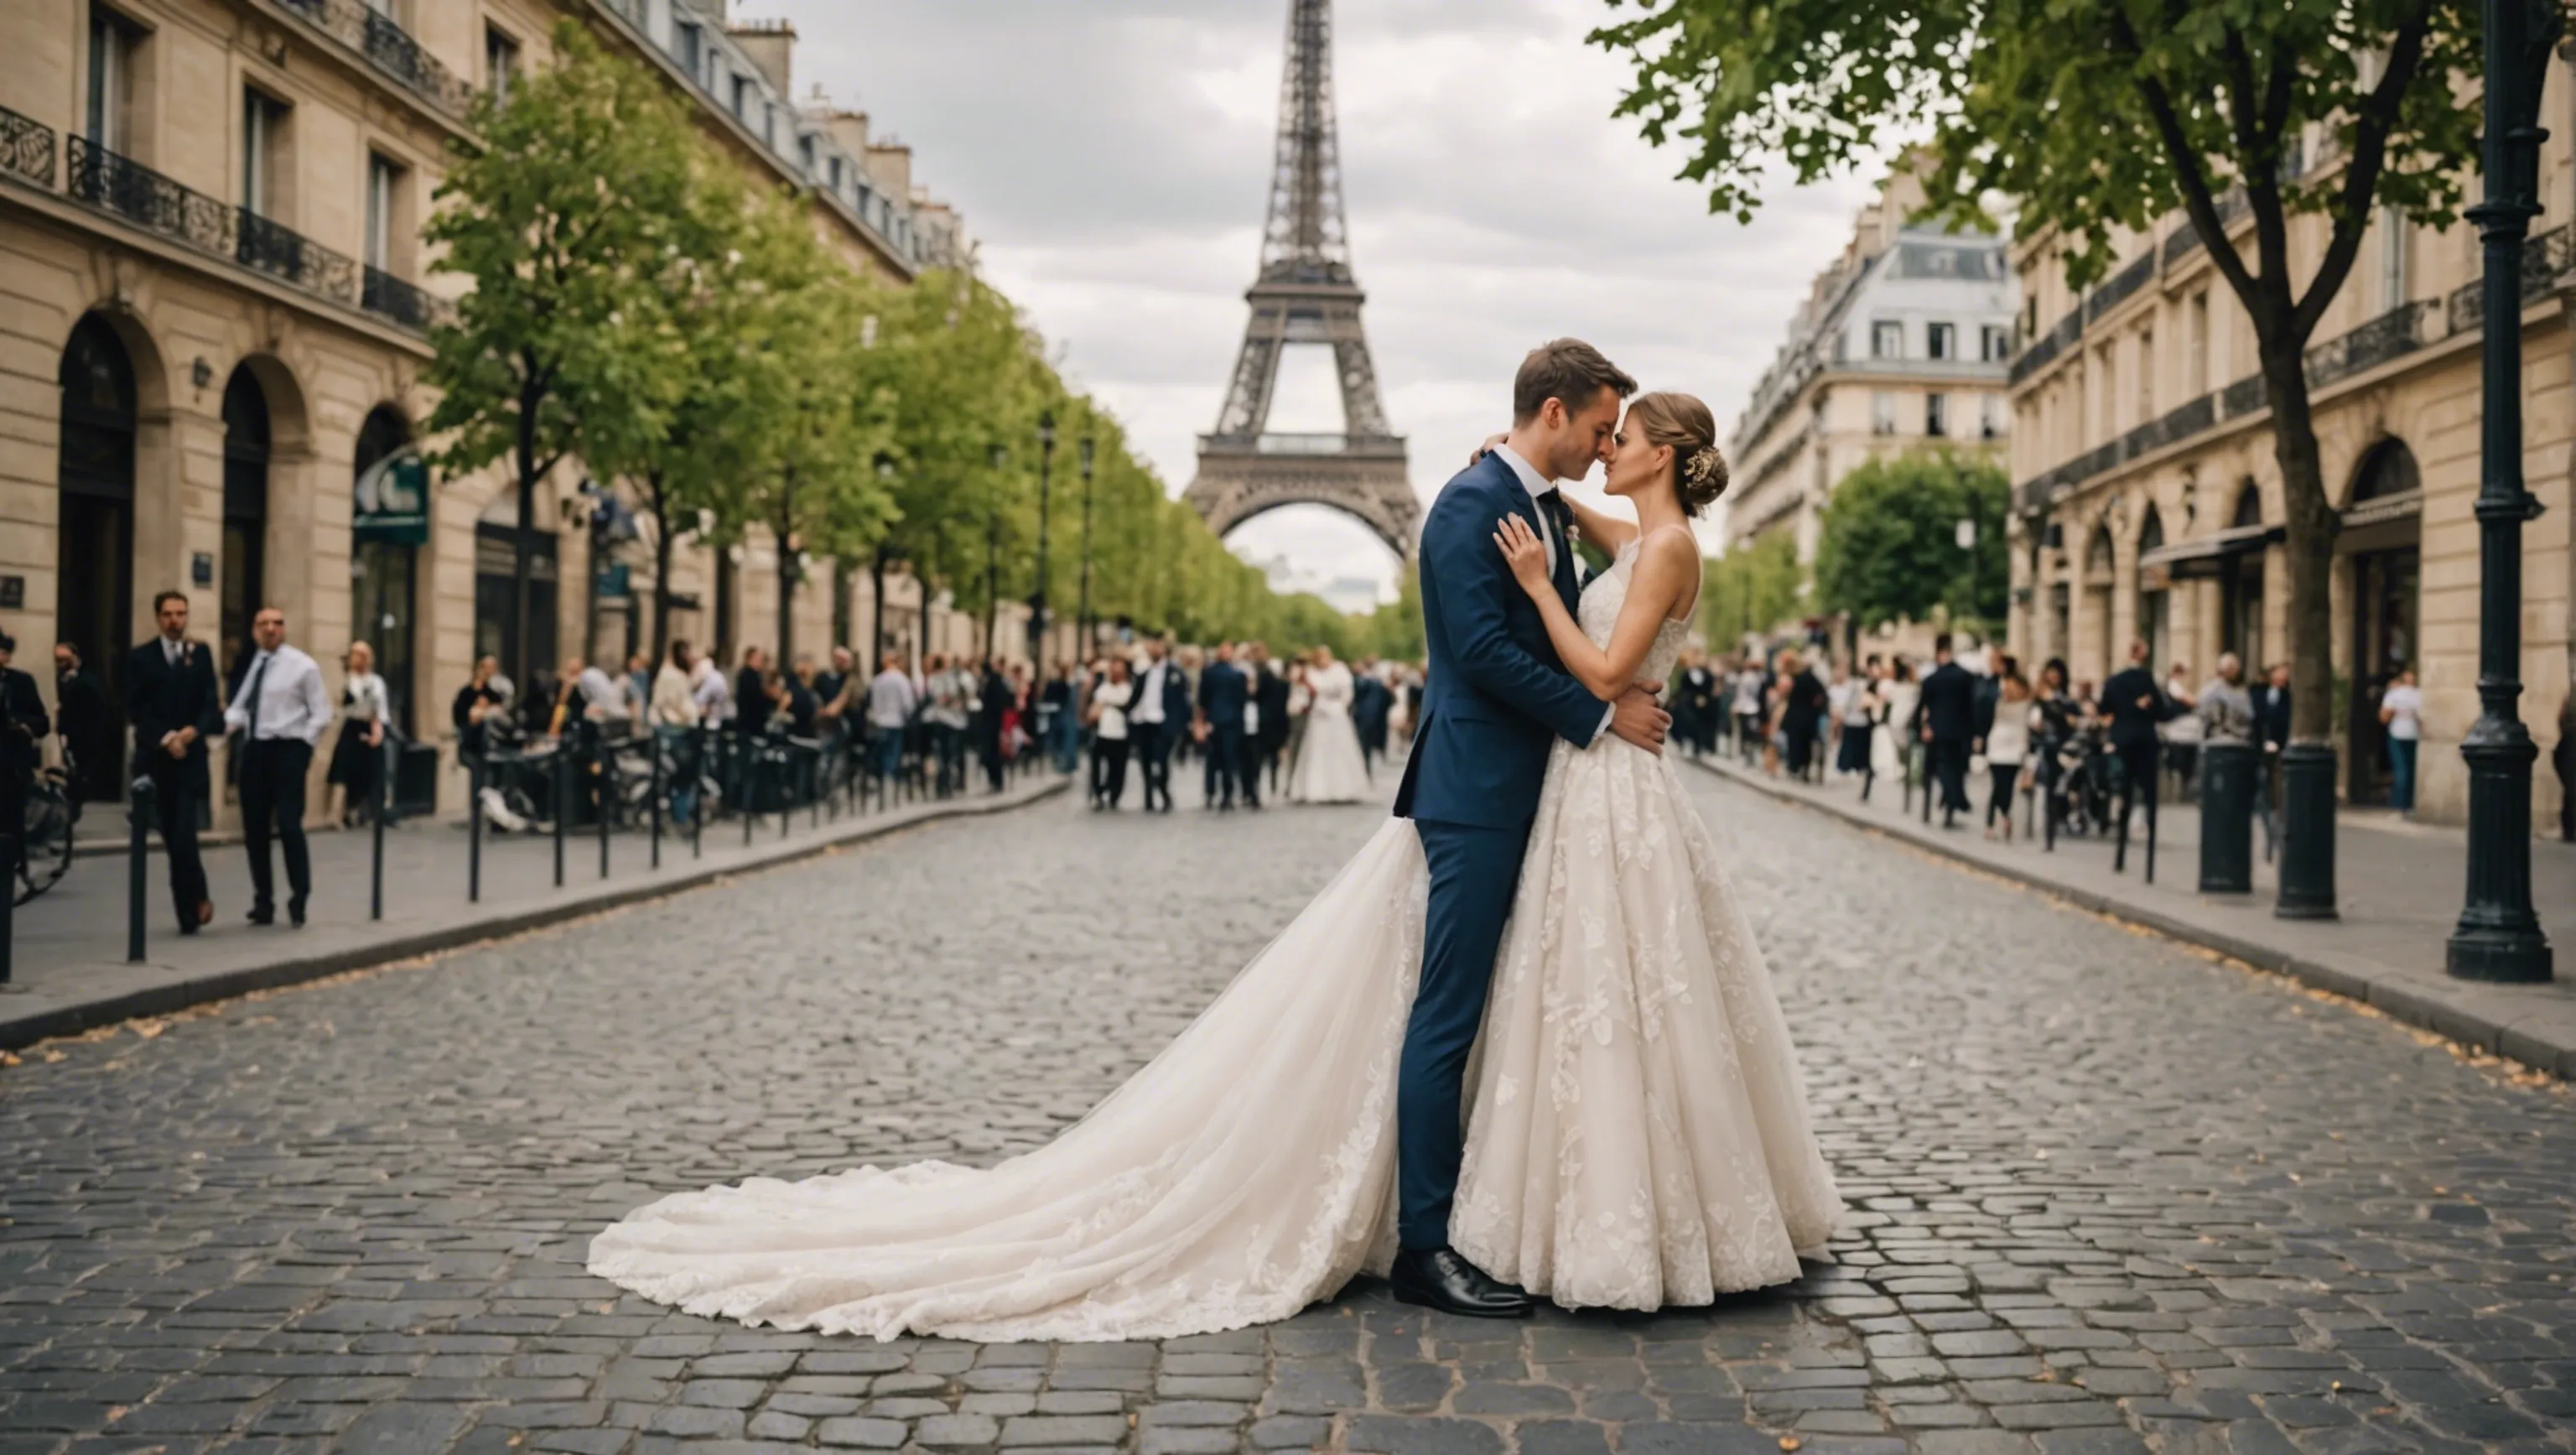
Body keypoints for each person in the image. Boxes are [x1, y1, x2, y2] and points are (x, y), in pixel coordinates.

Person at [590, 355, 1832, 1341]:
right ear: (1555, 412)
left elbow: (1577, 621)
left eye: (1623, 434)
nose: (1605, 445)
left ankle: (1519, 1214)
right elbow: (1487, 659)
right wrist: (1600, 701)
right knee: (1450, 1010)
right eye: (1595, 427)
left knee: (1523, 1008)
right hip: (1491, 793)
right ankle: (1426, 1241)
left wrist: (1572, 589)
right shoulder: (1473, 506)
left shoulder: (1548, 513)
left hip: (1566, 800)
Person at [226, 606, 332, 928]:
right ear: (254, 630)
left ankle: (299, 896)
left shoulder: (303, 666)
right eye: (263, 624)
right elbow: (240, 708)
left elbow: (322, 712)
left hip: (288, 749)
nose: (270, 629)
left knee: (288, 825)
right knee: (255, 829)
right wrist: (217, 729)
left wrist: (303, 747)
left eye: (277, 623)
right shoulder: (251, 663)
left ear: (284, 629)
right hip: (256, 750)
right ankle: (263, 901)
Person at [126, 592, 224, 934]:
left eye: (181, 614)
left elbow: (211, 702)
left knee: (184, 834)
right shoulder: (142, 658)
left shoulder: (200, 654)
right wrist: (166, 738)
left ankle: (192, 906)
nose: (175, 620)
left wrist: (192, 732)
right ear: (158, 617)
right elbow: (136, 708)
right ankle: (192, 900)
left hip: (190, 759)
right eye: (168, 614)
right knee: (172, 836)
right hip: (157, 761)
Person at [2101, 639, 2166, 866]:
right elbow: (2161, 710)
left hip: (2123, 742)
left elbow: (2105, 707)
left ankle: (2120, 851)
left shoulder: (2116, 680)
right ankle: (2148, 850)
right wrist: (2143, 705)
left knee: (2124, 790)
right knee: (2148, 792)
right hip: (2145, 742)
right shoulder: (2147, 680)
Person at [1285, 646, 1368, 803]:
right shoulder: (1310, 672)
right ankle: (1317, 789)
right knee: (1317, 751)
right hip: (1318, 713)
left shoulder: (1339, 670)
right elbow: (1304, 692)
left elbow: (1347, 693)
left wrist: (1340, 707)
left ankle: (1344, 789)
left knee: (1339, 751)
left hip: (1336, 713)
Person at [325, 641, 392, 827]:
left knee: (369, 769)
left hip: (369, 725)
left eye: (360, 655)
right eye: (354, 654)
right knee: (342, 768)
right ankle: (335, 813)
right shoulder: (346, 680)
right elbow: (337, 705)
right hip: (351, 726)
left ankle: (363, 812)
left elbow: (380, 710)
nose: (356, 659)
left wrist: (377, 732)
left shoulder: (376, 682)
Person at [1918, 632, 1977, 828]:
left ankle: (1952, 800)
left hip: (1939, 731)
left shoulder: (1932, 679)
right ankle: (1953, 803)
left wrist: (1924, 726)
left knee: (1942, 769)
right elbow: (1972, 707)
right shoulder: (1965, 677)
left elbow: (1922, 707)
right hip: (1960, 733)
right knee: (1955, 771)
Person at [50, 642, 118, 803]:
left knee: (81, 774)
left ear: (74, 656)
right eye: (58, 660)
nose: (61, 664)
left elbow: (97, 710)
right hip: (70, 734)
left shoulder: (88, 680)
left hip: (86, 735)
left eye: (64, 659)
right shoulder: (63, 678)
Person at [1194, 642, 1254, 809]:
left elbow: (1202, 699)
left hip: (1214, 720)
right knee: (1229, 759)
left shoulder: (1209, 673)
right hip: (1232, 722)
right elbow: (1243, 700)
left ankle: (1210, 793)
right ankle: (1227, 794)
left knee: (1212, 760)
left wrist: (1202, 719)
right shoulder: (1238, 675)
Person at [1130, 640, 1184, 812]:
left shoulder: (1174, 673)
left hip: (1164, 722)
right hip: (1145, 720)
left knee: (1161, 760)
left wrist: (1181, 725)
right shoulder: (1143, 673)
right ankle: (1148, 796)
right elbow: (1135, 697)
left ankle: (1163, 791)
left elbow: (1181, 702)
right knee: (1145, 758)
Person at [1983, 669, 2033, 843]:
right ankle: (1992, 823)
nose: (2009, 690)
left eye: (2013, 687)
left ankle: (2004, 816)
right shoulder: (1997, 702)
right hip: (1997, 748)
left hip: (2016, 749)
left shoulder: (2028, 705)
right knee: (1997, 786)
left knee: (2008, 786)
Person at [1086, 656, 1135, 809]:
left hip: (1120, 734)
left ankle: (1114, 793)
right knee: (1097, 765)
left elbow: (1127, 706)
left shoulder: (1128, 689)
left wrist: (1109, 703)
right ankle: (1097, 792)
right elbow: (1092, 705)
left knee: (1118, 768)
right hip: (1102, 732)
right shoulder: (1102, 688)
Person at [865, 652, 917, 787]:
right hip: (896, 721)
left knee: (882, 751)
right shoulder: (902, 680)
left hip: (880, 721)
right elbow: (908, 704)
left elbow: (874, 703)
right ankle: (890, 779)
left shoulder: (878, 680)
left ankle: (881, 777)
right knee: (893, 752)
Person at [2378, 667, 2423, 813]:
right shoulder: (2419, 694)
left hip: (2397, 732)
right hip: (2414, 734)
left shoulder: (2394, 694)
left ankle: (2399, 803)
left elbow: (2384, 717)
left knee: (2400, 769)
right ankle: (2409, 802)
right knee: (2410, 769)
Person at [1251, 643, 1291, 795]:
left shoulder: (1268, 673)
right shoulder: (1262, 673)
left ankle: (1268, 783)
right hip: (1265, 719)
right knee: (1262, 756)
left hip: (1270, 720)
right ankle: (1261, 786)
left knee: (1268, 754)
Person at [452, 656, 508, 761]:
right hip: (470, 737)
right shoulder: (466, 692)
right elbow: (461, 715)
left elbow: (499, 704)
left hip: (485, 738)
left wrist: (487, 708)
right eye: (484, 668)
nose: (487, 672)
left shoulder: (490, 691)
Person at [2161, 659, 2201, 798]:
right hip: (2179, 729)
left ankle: (2181, 785)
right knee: (2181, 759)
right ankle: (2180, 788)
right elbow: (2192, 701)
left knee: (2184, 759)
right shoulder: (2174, 686)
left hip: (2183, 730)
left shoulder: (2174, 686)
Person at [1352, 657, 1393, 779]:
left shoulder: (1377, 682)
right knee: (1362, 746)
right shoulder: (1364, 681)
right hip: (1364, 717)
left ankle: (1365, 771)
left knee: (1365, 746)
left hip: (1371, 719)